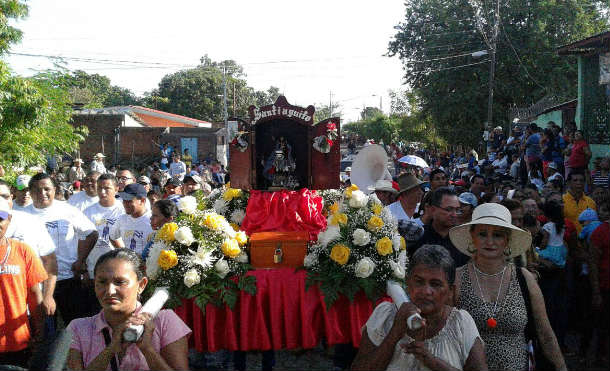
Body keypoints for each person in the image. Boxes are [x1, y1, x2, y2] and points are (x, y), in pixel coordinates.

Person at [450, 203, 567, 371]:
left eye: (497, 235)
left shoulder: (524, 278)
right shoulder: (456, 278)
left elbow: (545, 333)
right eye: (482, 234)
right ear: (472, 237)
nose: (490, 242)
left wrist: (561, 367)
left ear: (507, 240)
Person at [351, 244, 487, 371]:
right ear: (408, 283)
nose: (426, 291)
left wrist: (433, 362)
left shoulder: (461, 322)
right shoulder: (385, 314)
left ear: (450, 291)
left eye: (436, 284)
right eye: (419, 282)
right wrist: (395, 332)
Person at [66, 248, 190, 370]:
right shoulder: (79, 328)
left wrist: (147, 350)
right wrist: (111, 349)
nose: (110, 291)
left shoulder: (164, 321)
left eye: (120, 282)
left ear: (141, 285)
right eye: (102, 282)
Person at [24, 173, 99, 325]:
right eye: (37, 190)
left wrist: (80, 261)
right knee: (43, 329)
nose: (43, 193)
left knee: (75, 325)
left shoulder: (67, 210)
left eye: (47, 189)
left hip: (68, 278)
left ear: (54, 189)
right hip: (37, 283)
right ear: (30, 192)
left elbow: (91, 233)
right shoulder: (23, 215)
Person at [0, 198, 48, 369]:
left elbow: (35, 296)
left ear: (9, 219)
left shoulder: (22, 251)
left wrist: (40, 331)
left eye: (0, 219)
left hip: (17, 341)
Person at [410, 187, 469, 267]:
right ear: (433, 210)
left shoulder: (463, 240)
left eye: (457, 210)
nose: (454, 214)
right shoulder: (417, 236)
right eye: (449, 209)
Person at [83, 174, 125, 279]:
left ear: (116, 189)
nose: (102, 192)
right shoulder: (88, 212)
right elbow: (81, 241)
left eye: (107, 188)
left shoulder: (123, 210)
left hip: (119, 268)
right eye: (100, 188)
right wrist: (84, 270)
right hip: (94, 269)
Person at [589, 197, 609, 365]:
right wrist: (596, 291)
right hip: (605, 285)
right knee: (603, 324)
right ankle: (600, 355)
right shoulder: (600, 232)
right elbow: (593, 262)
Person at [110, 184, 153, 257]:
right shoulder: (122, 219)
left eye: (129, 200)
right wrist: (124, 253)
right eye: (124, 200)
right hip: (128, 266)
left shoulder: (153, 219)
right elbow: (112, 237)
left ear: (142, 201)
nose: (125, 203)